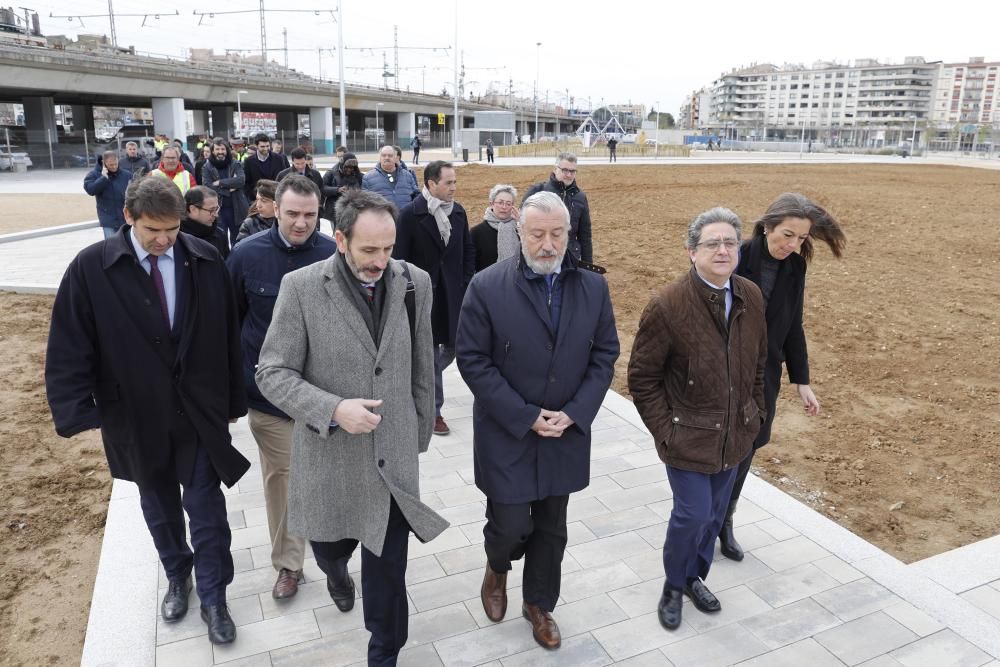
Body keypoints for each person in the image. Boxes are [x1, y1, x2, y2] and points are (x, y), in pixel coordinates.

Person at [45, 177, 250, 646]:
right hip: (134, 413)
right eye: (153, 230)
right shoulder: (91, 268)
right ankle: (178, 575)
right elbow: (70, 341)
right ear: (128, 219)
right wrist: (78, 409)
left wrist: (233, 401)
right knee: (157, 505)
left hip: (197, 411)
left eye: (173, 230)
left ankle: (215, 595)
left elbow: (226, 334)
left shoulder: (204, 259)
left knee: (207, 508)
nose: (164, 240)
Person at [255, 189, 449, 665]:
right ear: (340, 239)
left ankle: (384, 652)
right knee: (329, 548)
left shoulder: (414, 283)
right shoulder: (300, 287)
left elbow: (424, 365)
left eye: (388, 248)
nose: (381, 260)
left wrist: (418, 432)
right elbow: (271, 373)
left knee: (388, 574)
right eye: (369, 250)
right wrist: (333, 409)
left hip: (394, 459)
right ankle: (336, 570)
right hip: (331, 456)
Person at [456, 191, 619, 650]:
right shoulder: (487, 286)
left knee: (551, 526)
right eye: (537, 234)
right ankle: (497, 566)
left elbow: (606, 353)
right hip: (507, 431)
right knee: (509, 523)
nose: (548, 244)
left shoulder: (593, 287)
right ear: (520, 233)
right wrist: (526, 416)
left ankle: (539, 605)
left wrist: (576, 412)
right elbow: (472, 360)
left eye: (557, 234)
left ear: (568, 233)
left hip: (565, 431)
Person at [627, 207, 767, 631]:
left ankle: (694, 578)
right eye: (712, 243)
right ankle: (673, 585)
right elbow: (642, 377)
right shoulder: (667, 305)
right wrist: (666, 432)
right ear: (692, 252)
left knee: (712, 516)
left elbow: (759, 362)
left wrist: (755, 412)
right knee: (691, 514)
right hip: (687, 438)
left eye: (730, 242)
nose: (723, 250)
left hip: (735, 436)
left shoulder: (751, 295)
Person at [719, 193, 846, 560]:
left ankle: (725, 521)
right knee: (719, 445)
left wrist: (801, 380)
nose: (792, 245)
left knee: (748, 447)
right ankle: (705, 518)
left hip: (765, 374)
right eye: (787, 234)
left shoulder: (795, 268)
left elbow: (793, 325)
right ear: (767, 226)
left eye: (802, 238)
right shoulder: (736, 257)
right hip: (725, 370)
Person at [226, 175, 336, 600]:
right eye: (292, 213)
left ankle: (334, 556)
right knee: (286, 479)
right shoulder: (245, 257)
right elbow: (228, 324)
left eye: (310, 215)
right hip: (269, 400)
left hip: (323, 398)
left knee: (325, 480)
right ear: (274, 208)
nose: (301, 223)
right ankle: (289, 565)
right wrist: (233, 391)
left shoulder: (333, 255)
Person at [393, 160, 474, 436]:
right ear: (430, 184)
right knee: (429, 351)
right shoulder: (409, 215)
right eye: (448, 182)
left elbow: (467, 252)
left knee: (453, 347)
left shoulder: (459, 213)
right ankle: (434, 412)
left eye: (455, 182)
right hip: (423, 297)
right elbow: (399, 260)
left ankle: (420, 376)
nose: (454, 187)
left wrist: (465, 283)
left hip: (453, 295)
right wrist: (407, 294)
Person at [522, 152, 593, 263]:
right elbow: (522, 227)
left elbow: (585, 236)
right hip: (543, 254)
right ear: (555, 169)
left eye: (572, 171)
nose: (569, 175)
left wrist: (588, 265)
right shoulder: (537, 191)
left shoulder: (580, 197)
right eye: (565, 170)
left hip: (570, 258)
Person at [201, 139, 250, 247]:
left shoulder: (235, 163)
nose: (220, 151)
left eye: (223, 149)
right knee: (220, 239)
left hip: (237, 208)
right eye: (217, 149)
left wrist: (220, 182)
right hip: (218, 209)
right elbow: (208, 187)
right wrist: (228, 190)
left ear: (227, 150)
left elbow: (241, 180)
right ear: (213, 151)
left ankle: (236, 261)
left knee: (237, 239)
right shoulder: (207, 167)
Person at [470, 184, 520, 272]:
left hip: (515, 282)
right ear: (492, 204)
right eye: (500, 203)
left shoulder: (518, 229)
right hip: (485, 283)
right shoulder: (476, 232)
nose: (504, 207)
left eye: (508, 204)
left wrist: (521, 223)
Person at [83, 150, 131, 239]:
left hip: (125, 217)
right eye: (111, 165)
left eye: (115, 164)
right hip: (108, 218)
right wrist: (103, 178)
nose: (114, 167)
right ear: (103, 163)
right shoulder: (94, 174)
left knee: (127, 245)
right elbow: (90, 190)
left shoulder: (126, 175)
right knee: (111, 246)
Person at [362, 145, 420, 211]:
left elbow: (417, 196)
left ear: (396, 157)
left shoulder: (408, 175)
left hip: (405, 220)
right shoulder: (368, 178)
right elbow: (364, 204)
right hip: (381, 220)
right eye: (384, 155)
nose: (387, 158)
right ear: (380, 158)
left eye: (390, 155)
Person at [181, 185, 230, 259]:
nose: (216, 215)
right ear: (193, 209)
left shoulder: (220, 234)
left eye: (217, 209)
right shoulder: (178, 237)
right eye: (211, 210)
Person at [243, 133, 289, 200]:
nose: (266, 149)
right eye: (262, 146)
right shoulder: (249, 161)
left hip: (276, 197)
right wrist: (253, 196)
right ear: (256, 146)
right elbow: (246, 183)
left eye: (267, 146)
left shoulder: (279, 159)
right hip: (258, 199)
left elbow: (284, 178)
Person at [321, 152, 362, 223]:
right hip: (335, 211)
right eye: (347, 167)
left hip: (353, 210)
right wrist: (337, 190)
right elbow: (322, 188)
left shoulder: (358, 175)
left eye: (352, 167)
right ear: (342, 164)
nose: (350, 169)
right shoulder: (331, 173)